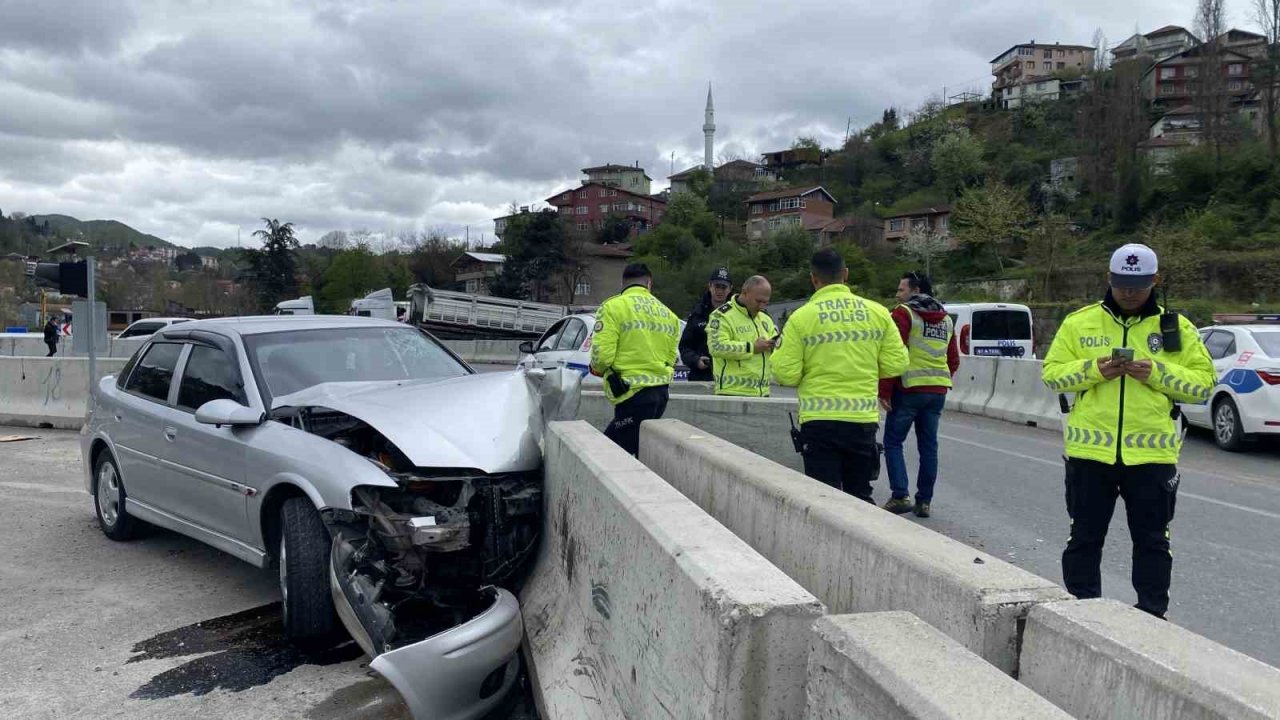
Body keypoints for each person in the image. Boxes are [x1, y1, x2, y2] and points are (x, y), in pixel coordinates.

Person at [1042, 243, 1215, 619]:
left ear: (1155, 280)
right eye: (1122, 283)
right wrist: (1094, 370)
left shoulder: (1176, 327)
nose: (1129, 292)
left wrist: (1156, 372)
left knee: (1153, 542)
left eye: (1138, 284)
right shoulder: (1079, 322)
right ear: (1109, 278)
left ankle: (1151, 617)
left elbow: (1203, 385)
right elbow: (1051, 374)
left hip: (1152, 457)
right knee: (1084, 539)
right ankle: (1083, 613)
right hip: (1090, 455)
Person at [772, 249, 908, 501]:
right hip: (862, 422)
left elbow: (785, 373)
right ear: (845, 274)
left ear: (814, 279)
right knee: (860, 499)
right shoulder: (878, 312)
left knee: (824, 502)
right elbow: (897, 363)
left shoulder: (801, 317)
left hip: (819, 423)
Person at [879, 271, 959, 518]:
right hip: (937, 391)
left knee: (893, 442)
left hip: (909, 389)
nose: (897, 294)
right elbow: (953, 360)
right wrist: (937, 381)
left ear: (915, 291)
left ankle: (900, 495)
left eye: (901, 290)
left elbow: (893, 354)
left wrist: (885, 391)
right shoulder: (945, 319)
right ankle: (924, 501)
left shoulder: (904, 314)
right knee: (929, 446)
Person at [590, 263, 681, 456]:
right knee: (618, 451)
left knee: (618, 459)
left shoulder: (612, 307)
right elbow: (671, 358)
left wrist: (596, 368)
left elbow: (602, 357)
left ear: (623, 283)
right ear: (649, 283)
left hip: (631, 394)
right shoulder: (668, 314)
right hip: (660, 395)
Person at [708, 275, 777, 397]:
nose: (762, 306)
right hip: (731, 393)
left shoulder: (766, 319)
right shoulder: (721, 316)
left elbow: (778, 349)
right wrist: (752, 347)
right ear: (744, 293)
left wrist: (776, 346)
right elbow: (716, 347)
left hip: (763, 393)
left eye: (765, 302)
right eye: (758, 301)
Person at [679, 267, 733, 381]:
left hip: (730, 376)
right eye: (717, 286)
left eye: (724, 287)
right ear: (710, 286)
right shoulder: (697, 313)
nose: (720, 291)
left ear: (730, 289)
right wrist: (696, 360)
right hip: (701, 376)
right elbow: (684, 347)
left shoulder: (736, 314)